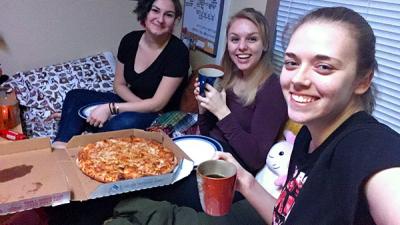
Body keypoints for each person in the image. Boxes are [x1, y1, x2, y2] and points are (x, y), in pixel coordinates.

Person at [104, 6, 400, 225]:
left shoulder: (367, 145)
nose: (298, 79)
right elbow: (284, 214)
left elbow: (385, 179)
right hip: (222, 167)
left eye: (324, 66)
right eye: (293, 62)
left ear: (363, 80)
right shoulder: (308, 136)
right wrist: (208, 112)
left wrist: (223, 112)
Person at [52, 0, 189, 149]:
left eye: (168, 15)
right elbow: (119, 84)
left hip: (158, 115)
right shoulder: (130, 40)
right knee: (75, 96)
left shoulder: (178, 52)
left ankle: (87, 143)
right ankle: (61, 146)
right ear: (146, 12)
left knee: (122, 122)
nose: (160, 19)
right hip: (130, 101)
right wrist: (128, 106)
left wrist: (111, 108)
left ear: (175, 20)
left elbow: (157, 104)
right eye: (155, 11)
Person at [195, 8, 288, 174]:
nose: (242, 47)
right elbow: (208, 133)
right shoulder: (230, 76)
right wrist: (203, 109)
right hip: (209, 154)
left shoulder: (273, 89)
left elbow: (256, 159)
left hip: (234, 173)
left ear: (265, 44)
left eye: (252, 39)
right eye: (235, 39)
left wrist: (222, 112)